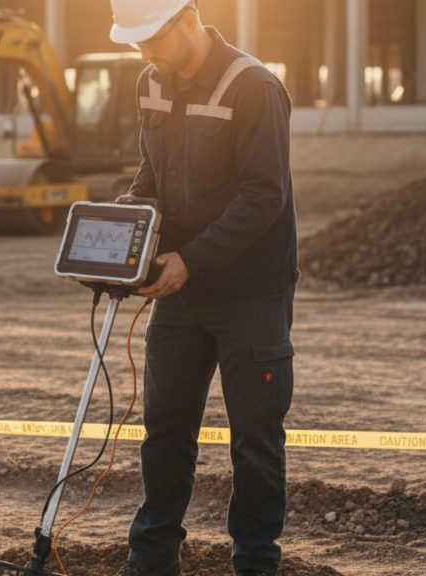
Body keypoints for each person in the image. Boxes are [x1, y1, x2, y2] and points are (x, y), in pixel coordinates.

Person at [107, 1, 299, 575]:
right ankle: (153, 558)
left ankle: (255, 563)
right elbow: (152, 172)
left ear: (188, 19)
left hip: (251, 294)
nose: (144, 53)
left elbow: (264, 196)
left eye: (152, 38)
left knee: (255, 440)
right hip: (180, 290)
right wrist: (128, 223)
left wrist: (190, 259)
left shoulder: (254, 88)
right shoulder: (150, 81)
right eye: (135, 42)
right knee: (164, 429)